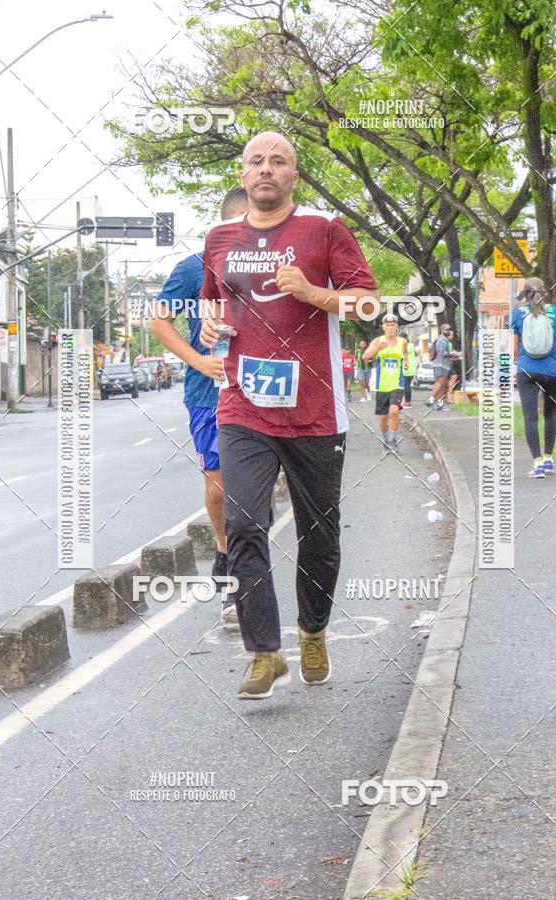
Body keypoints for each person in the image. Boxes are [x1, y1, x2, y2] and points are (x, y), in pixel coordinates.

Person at [200, 130, 378, 699]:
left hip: (316, 411)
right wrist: (207, 324)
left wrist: (311, 291)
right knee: (245, 523)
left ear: (293, 176)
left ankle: (313, 630)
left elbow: (368, 301)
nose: (267, 169)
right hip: (242, 405)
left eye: (279, 161)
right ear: (243, 174)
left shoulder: (323, 230)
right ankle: (264, 652)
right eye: (257, 161)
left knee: (318, 536)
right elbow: (213, 300)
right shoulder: (220, 237)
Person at [151, 188, 249, 623]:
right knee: (219, 486)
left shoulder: (278, 266)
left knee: (254, 490)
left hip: (263, 391)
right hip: (208, 394)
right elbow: (159, 319)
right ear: (227, 226)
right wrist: (197, 360)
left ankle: (250, 573)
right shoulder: (194, 269)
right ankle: (227, 556)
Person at [512, 277, 556, 478]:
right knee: (551, 415)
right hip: (554, 372)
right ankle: (549, 460)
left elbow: (514, 349)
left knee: (530, 417)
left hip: (527, 370)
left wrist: (520, 363)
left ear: (525, 294)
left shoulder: (518, 314)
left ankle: (538, 464)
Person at [362, 314, 407, 447]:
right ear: (383, 327)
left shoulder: (402, 342)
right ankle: (386, 439)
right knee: (383, 417)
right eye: (387, 325)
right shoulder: (378, 341)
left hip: (397, 383)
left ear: (397, 327)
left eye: (393, 325)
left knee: (394, 411)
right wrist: (378, 348)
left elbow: (404, 354)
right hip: (382, 385)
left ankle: (393, 440)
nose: (390, 327)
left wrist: (406, 362)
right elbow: (365, 357)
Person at [426, 324, 457, 410]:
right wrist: (453, 354)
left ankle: (440, 403)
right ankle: (431, 400)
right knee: (440, 383)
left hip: (442, 365)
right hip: (441, 365)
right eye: (447, 330)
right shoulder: (443, 340)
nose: (448, 331)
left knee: (443, 385)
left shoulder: (443, 339)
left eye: (449, 330)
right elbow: (443, 353)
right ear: (442, 330)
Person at [400, 332, 418, 408]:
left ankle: (407, 402)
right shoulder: (412, 345)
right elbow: (415, 354)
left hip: (405, 366)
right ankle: (407, 401)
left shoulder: (402, 346)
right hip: (412, 367)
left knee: (405, 386)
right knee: (408, 385)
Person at [446, 327, 462, 402]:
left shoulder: (448, 343)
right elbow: (447, 355)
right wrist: (456, 355)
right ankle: (450, 394)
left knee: (448, 379)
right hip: (447, 364)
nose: (451, 336)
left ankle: (447, 395)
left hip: (448, 364)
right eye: (450, 335)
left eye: (452, 335)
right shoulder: (447, 343)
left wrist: (456, 357)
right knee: (454, 377)